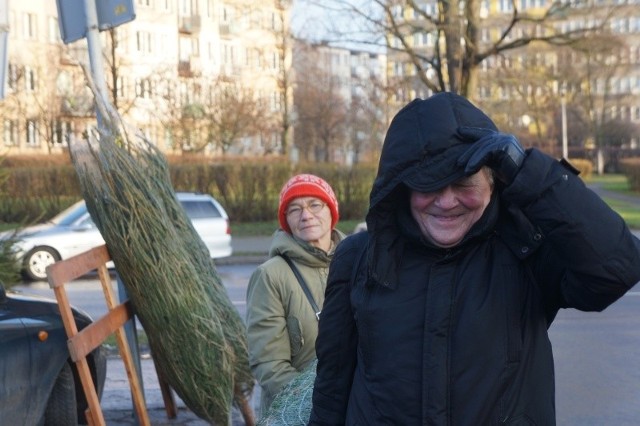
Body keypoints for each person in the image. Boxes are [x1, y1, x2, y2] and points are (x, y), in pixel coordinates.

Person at [309, 93, 640, 425]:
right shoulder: (359, 258)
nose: (447, 201)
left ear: (494, 183)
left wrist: (531, 174)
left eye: (464, 182)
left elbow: (616, 268)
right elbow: (332, 387)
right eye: (429, 184)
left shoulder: (525, 248)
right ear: (402, 188)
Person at [246, 173, 346, 415]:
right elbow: (269, 363)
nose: (306, 215)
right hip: (297, 412)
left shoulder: (357, 263)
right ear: (286, 221)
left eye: (315, 205)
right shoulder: (271, 275)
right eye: (294, 209)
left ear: (331, 211)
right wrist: (311, 405)